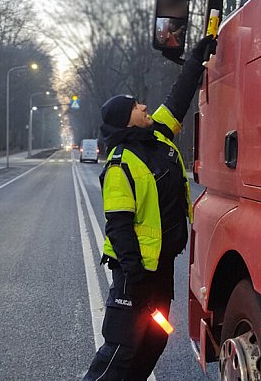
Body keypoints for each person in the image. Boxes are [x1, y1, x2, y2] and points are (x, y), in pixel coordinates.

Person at [82, 35, 217, 381]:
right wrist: (134, 277)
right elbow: (119, 226)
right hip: (134, 274)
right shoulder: (119, 164)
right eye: (136, 106)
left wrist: (195, 61)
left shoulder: (159, 134)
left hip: (161, 268)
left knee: (154, 339)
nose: (144, 107)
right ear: (127, 120)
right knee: (120, 349)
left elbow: (179, 97)